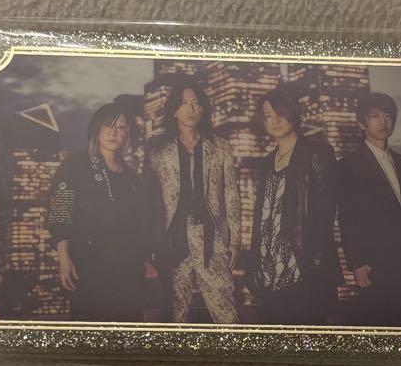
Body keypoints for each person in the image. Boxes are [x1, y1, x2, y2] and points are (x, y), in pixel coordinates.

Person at [47, 104, 163, 322]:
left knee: (128, 328)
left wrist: (147, 261)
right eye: (108, 126)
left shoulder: (131, 178)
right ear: (96, 129)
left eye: (121, 127)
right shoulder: (74, 166)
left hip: (128, 270)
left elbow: (140, 227)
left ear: (128, 134)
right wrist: (64, 258)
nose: (113, 133)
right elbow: (60, 213)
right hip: (88, 267)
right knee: (91, 328)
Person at [147, 79, 240, 324]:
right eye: (184, 103)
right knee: (175, 314)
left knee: (226, 313)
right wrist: (152, 243)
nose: (191, 108)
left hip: (212, 236)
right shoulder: (157, 147)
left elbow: (231, 194)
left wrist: (235, 240)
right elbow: (150, 198)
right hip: (172, 238)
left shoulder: (220, 146)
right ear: (174, 110)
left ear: (203, 109)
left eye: (196, 102)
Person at [248, 87, 342, 324]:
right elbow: (262, 217)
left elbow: (326, 213)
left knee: (310, 337)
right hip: (268, 267)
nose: (275, 120)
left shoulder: (317, 153)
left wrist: (316, 262)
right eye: (268, 115)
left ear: (294, 113)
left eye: (280, 113)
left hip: (304, 266)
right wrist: (253, 266)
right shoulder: (266, 163)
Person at [337, 91, 401, 325]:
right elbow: (347, 217)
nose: (383, 121)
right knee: (381, 322)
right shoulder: (348, 165)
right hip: (374, 263)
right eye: (374, 116)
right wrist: (357, 262)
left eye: (388, 116)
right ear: (362, 123)